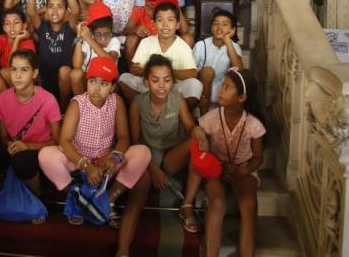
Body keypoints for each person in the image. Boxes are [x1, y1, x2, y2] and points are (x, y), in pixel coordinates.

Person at [38, 56, 151, 256]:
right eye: (92, 82)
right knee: (46, 155)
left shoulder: (116, 102)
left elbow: (124, 137)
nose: (97, 88)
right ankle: (76, 198)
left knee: (142, 152)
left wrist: (114, 157)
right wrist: (85, 165)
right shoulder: (77, 103)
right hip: (78, 160)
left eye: (104, 84)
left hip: (105, 163)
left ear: (113, 87)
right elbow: (64, 141)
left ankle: (108, 198)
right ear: (86, 82)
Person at [182, 68, 266, 257]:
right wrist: (203, 142)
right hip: (216, 168)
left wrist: (243, 171)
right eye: (222, 86)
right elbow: (200, 146)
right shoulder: (211, 118)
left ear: (242, 97)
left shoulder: (253, 124)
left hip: (244, 168)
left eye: (227, 88)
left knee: (248, 204)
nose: (220, 91)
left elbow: (258, 158)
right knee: (218, 203)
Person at [0, 50, 61, 211]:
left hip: (40, 150)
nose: (18, 75)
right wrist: (10, 145)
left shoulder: (48, 100)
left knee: (23, 160)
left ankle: (38, 200)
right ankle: (4, 195)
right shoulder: (3, 98)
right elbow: (4, 136)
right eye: (14, 69)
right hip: (16, 147)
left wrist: (27, 146)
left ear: (34, 73)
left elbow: (57, 141)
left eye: (24, 70)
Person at [129, 55, 195, 232]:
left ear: (172, 81)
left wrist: (200, 132)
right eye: (155, 80)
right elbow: (135, 142)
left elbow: (191, 127)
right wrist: (152, 168)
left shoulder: (178, 100)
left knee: (198, 140)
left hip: (173, 155)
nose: (161, 85)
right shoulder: (137, 103)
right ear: (146, 82)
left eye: (167, 80)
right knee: (138, 190)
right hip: (148, 156)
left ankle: (187, 205)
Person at [119, 0, 202, 109]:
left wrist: (167, 74)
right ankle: (145, 110)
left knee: (195, 85)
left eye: (170, 20)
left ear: (177, 25)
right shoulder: (146, 42)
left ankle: (175, 113)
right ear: (154, 24)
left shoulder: (183, 46)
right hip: (149, 87)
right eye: (160, 20)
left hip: (173, 88)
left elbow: (193, 73)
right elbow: (135, 68)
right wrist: (137, 70)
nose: (165, 24)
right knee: (124, 78)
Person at [27, 0, 79, 109]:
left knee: (64, 70)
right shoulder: (43, 26)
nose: (55, 11)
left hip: (63, 79)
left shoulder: (69, 27)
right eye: (51, 7)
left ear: (66, 11)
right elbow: (31, 11)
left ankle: (63, 110)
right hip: (44, 76)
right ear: (46, 10)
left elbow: (75, 11)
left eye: (60, 7)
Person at [194, 9, 243, 115]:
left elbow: (239, 72)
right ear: (211, 28)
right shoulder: (200, 45)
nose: (219, 27)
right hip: (202, 87)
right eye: (216, 24)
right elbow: (192, 72)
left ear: (232, 29)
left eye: (225, 24)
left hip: (222, 88)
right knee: (207, 71)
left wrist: (228, 41)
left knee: (235, 78)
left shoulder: (234, 47)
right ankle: (204, 116)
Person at [71, 2, 121, 96]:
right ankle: (82, 102)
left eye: (107, 34)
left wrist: (89, 39)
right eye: (98, 34)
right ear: (92, 32)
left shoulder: (114, 41)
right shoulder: (87, 41)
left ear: (111, 31)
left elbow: (110, 60)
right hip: (88, 80)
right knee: (75, 73)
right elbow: (77, 65)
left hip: (105, 80)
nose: (103, 39)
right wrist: (79, 36)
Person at [0, 7, 37, 92]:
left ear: (24, 26)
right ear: (4, 28)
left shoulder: (28, 43)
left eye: (16, 22)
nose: (12, 27)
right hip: (4, 76)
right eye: (7, 23)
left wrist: (17, 39)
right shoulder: (1, 40)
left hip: (23, 78)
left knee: (5, 72)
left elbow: (11, 66)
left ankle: (16, 98)